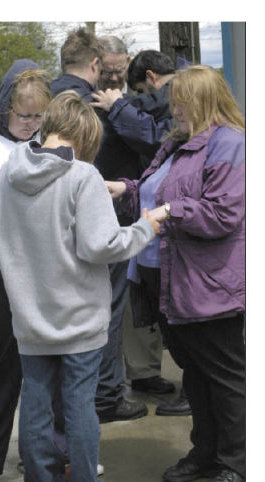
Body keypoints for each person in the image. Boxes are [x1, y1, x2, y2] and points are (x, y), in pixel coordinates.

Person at [0, 90, 160, 482]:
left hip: (30, 317)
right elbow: (102, 245)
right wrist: (144, 229)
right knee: (80, 406)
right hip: (80, 318)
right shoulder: (83, 176)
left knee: (34, 405)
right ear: (84, 133)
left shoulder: (11, 172)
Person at [105, 65, 245, 482]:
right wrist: (126, 190)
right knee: (196, 375)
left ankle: (235, 464)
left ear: (202, 99)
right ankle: (205, 455)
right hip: (168, 279)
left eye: (180, 100)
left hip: (209, 286)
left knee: (225, 379)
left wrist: (171, 212)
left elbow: (223, 213)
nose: (173, 108)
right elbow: (158, 193)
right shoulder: (177, 144)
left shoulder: (228, 144)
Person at [51, 28, 150, 423]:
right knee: (105, 310)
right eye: (105, 70)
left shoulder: (47, 96)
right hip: (103, 220)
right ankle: (106, 398)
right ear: (95, 64)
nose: (110, 79)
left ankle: (68, 409)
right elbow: (148, 142)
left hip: (55, 228)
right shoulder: (88, 104)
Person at [0, 60, 52, 481]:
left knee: (48, 368)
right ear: (4, 108)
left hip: (43, 273)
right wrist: (15, 209)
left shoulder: (49, 140)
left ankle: (53, 455)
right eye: (23, 115)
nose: (30, 124)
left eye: (38, 116)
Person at [93, 46, 178, 400]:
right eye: (107, 71)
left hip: (144, 211)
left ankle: (144, 373)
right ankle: (130, 377)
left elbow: (156, 136)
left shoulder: (144, 102)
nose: (113, 78)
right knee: (130, 299)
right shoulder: (99, 101)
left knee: (145, 296)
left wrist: (120, 108)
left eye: (118, 70)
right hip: (123, 209)